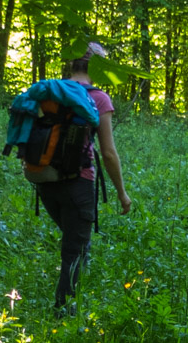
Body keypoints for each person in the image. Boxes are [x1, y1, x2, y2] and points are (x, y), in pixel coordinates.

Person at [36, 42, 132, 311]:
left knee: (74, 242)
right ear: (97, 67)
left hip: (44, 180)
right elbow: (109, 153)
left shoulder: (51, 91)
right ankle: (64, 315)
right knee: (76, 252)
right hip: (79, 183)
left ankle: (70, 304)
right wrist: (122, 193)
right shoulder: (98, 97)